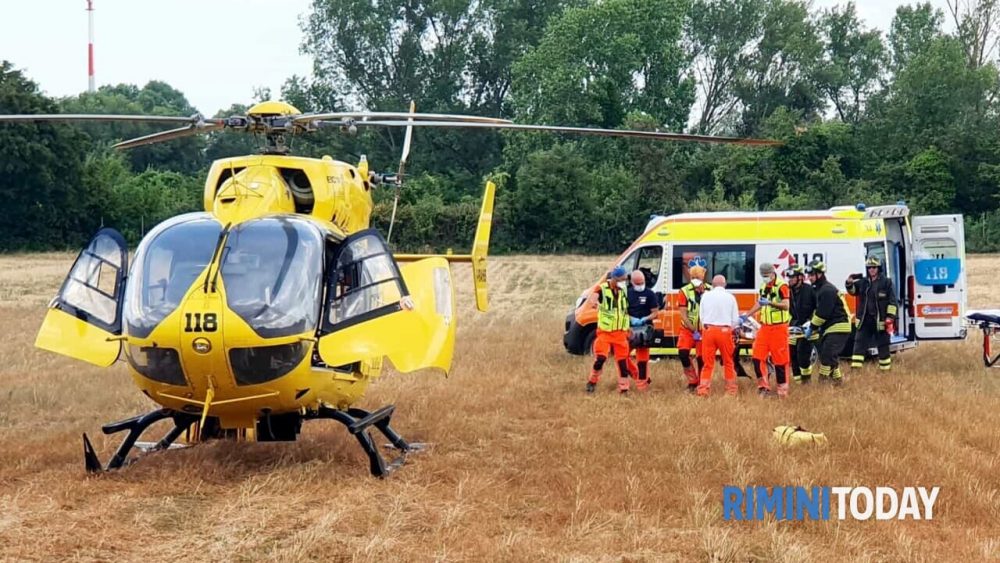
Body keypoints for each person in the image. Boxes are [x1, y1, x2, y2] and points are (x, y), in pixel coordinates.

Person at [743, 263, 792, 398]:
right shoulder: (764, 286)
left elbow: (786, 305)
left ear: (772, 273)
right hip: (765, 327)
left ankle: (782, 391)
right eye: (762, 275)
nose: (765, 278)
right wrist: (746, 315)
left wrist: (770, 303)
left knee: (780, 360)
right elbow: (759, 303)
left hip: (779, 328)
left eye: (766, 275)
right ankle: (763, 388)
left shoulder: (782, 286)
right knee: (757, 357)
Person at [845, 256, 898, 372]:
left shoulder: (886, 283)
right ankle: (855, 371)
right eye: (869, 267)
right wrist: (849, 284)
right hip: (865, 320)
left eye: (874, 267)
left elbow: (893, 303)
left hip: (880, 320)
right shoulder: (863, 282)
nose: (871, 270)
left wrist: (890, 318)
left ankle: (885, 371)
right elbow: (853, 291)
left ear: (879, 268)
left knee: (883, 346)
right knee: (858, 345)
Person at [586, 266, 634, 394]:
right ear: (615, 278)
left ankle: (624, 388)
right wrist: (594, 303)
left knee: (623, 362)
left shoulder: (623, 290)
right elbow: (593, 298)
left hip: (620, 333)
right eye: (622, 279)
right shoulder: (602, 289)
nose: (624, 281)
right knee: (600, 359)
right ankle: (592, 381)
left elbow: (624, 311)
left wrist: (628, 327)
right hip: (605, 333)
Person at [804, 260, 852, 385]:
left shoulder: (826, 290)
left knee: (826, 355)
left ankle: (822, 382)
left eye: (811, 275)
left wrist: (812, 327)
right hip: (831, 327)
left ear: (819, 274)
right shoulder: (820, 289)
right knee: (831, 357)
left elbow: (822, 314)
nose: (809, 278)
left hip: (839, 326)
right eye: (808, 275)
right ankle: (837, 382)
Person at [696, 275, 741, 397]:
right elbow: (735, 320)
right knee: (728, 362)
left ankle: (703, 390)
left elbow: (702, 316)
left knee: (708, 363)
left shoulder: (705, 296)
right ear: (725, 284)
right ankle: (731, 391)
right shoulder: (730, 297)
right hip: (725, 332)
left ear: (713, 285)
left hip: (708, 331)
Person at [627, 269, 659, 391]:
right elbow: (623, 312)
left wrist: (645, 318)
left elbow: (655, 313)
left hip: (645, 330)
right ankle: (637, 375)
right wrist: (632, 319)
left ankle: (642, 386)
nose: (641, 285)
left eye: (642, 282)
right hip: (630, 329)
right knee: (623, 355)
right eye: (638, 283)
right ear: (632, 282)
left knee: (642, 361)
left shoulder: (650, 294)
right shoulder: (627, 294)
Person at [677, 265, 708, 392]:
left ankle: (701, 383)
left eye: (698, 277)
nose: (695, 279)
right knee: (683, 354)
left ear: (703, 277)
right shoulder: (684, 291)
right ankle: (692, 380)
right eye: (693, 277)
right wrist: (693, 330)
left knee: (702, 358)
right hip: (688, 329)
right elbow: (683, 314)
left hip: (704, 330)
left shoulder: (710, 290)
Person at [785, 264, 816, 383]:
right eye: (789, 277)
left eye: (792, 277)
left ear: (800, 278)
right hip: (793, 328)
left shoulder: (810, 290)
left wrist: (812, 322)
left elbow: (818, 308)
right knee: (792, 355)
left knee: (802, 355)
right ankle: (798, 382)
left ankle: (806, 380)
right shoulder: (788, 291)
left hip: (808, 328)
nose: (790, 280)